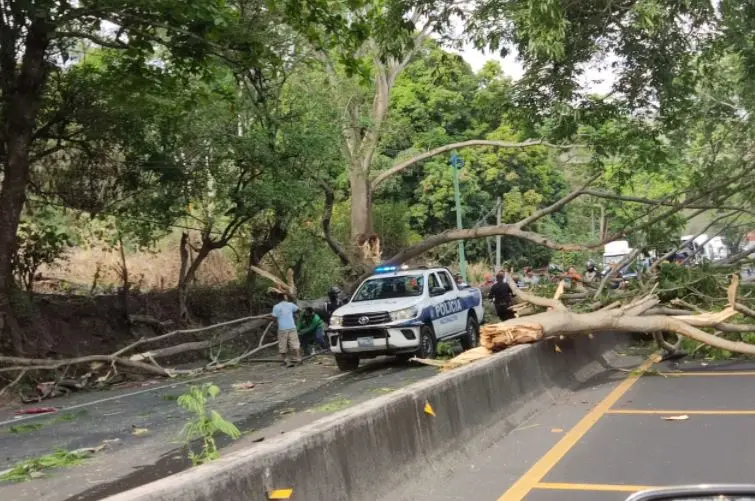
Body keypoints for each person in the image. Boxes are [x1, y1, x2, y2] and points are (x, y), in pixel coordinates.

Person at [269, 292, 301, 367]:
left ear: (278, 298)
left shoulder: (276, 307)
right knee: (295, 343)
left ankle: (286, 361)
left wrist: (266, 318)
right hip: (292, 327)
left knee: (283, 344)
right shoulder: (291, 305)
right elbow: (298, 310)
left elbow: (274, 319)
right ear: (284, 298)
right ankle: (298, 359)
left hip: (282, 328)